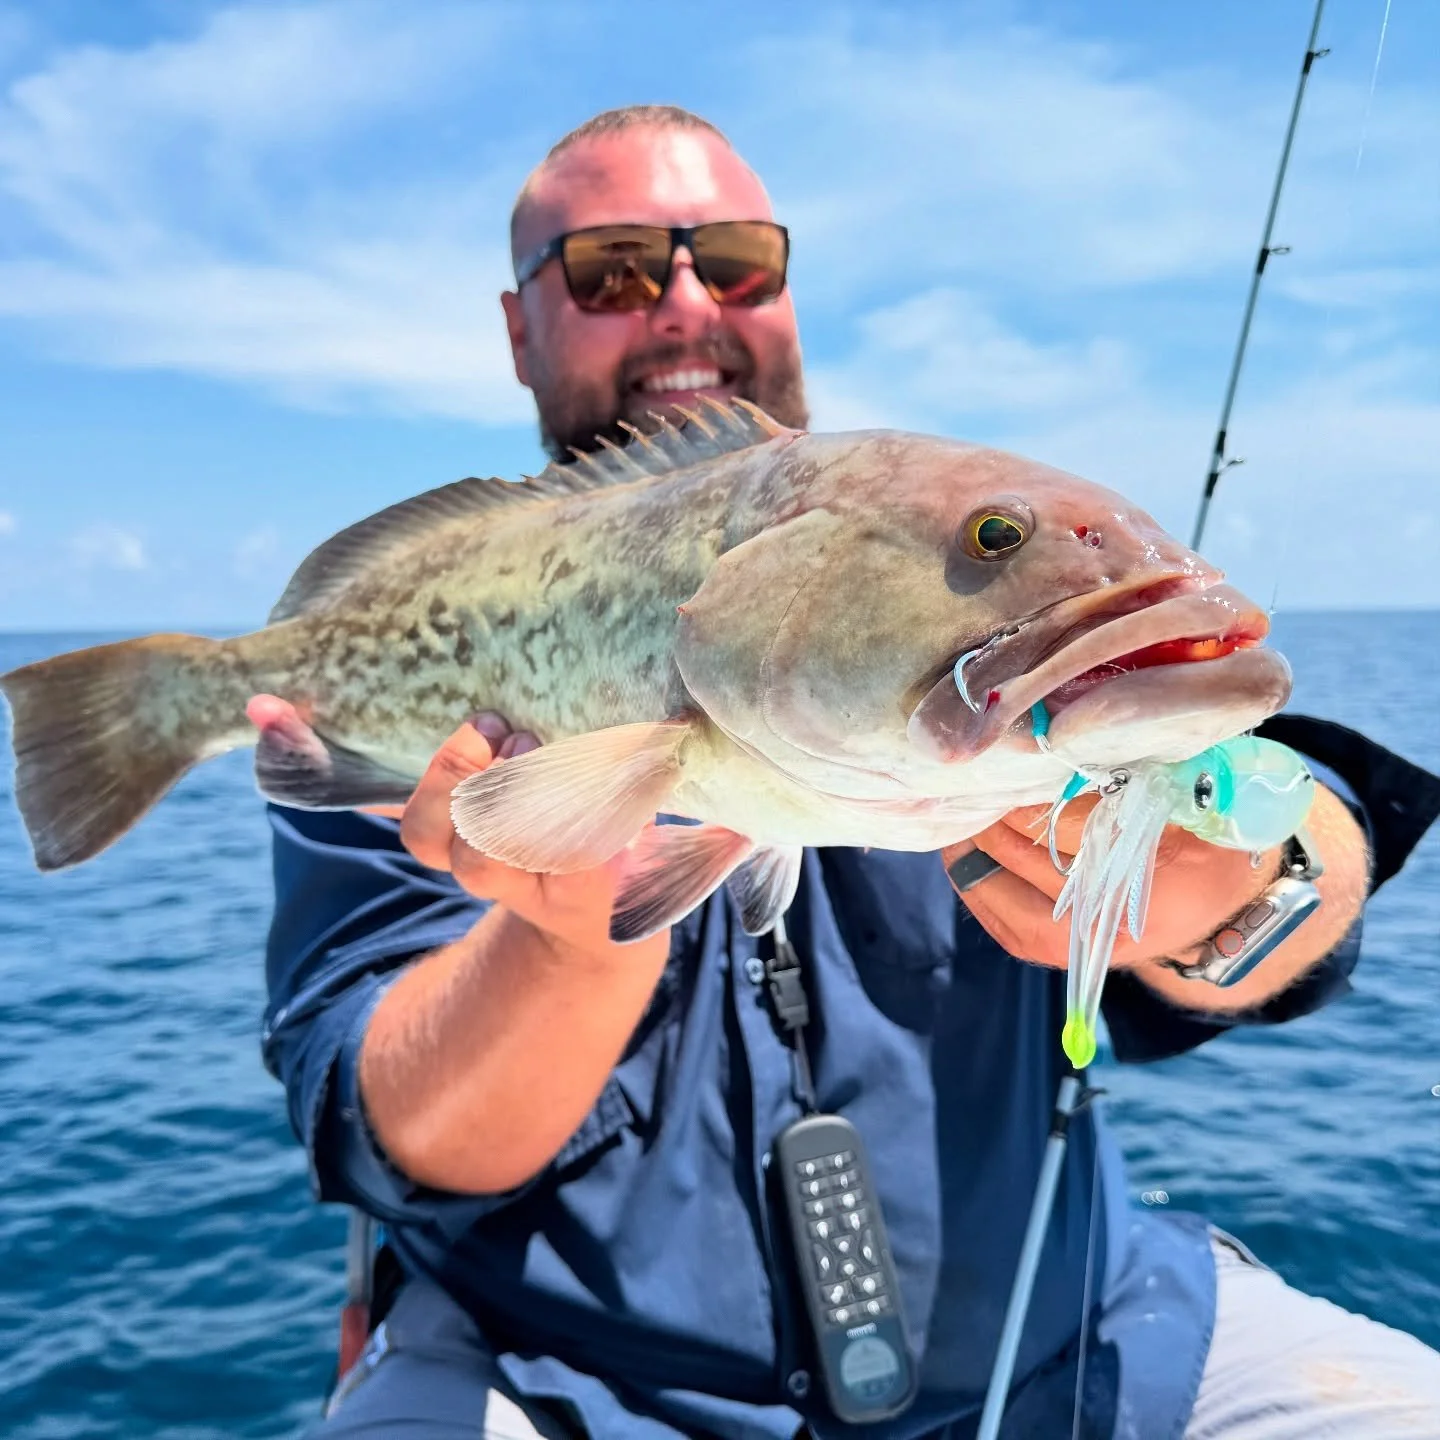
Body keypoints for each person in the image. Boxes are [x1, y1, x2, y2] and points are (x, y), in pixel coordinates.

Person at [260, 106, 1440, 1439]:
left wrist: (1246, 894)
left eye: (740, 262)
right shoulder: (405, 673)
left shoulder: (1019, 678)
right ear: (520, 327)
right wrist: (572, 949)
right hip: (569, 1386)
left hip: (1091, 1343)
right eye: (612, 271)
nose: (685, 304)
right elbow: (384, 1136)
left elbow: (1303, 818)